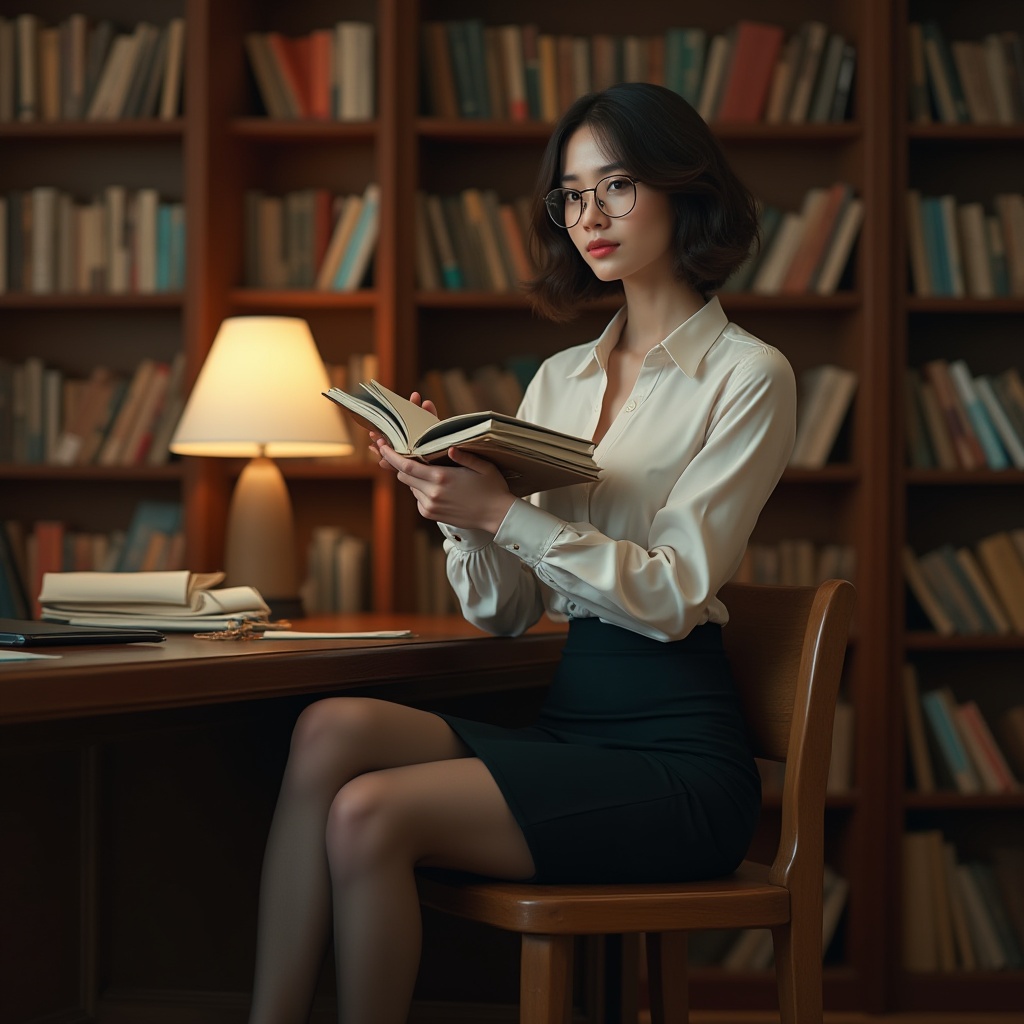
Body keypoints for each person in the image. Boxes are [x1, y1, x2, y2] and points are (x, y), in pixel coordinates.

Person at [247, 82, 796, 1024]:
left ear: (683, 188)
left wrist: (505, 515)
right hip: (575, 718)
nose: (592, 216)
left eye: (618, 186)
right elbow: (502, 614)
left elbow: (674, 597)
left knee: (366, 813)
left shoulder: (748, 375)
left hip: (677, 755)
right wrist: (453, 499)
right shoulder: (560, 376)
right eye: (573, 196)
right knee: (327, 729)